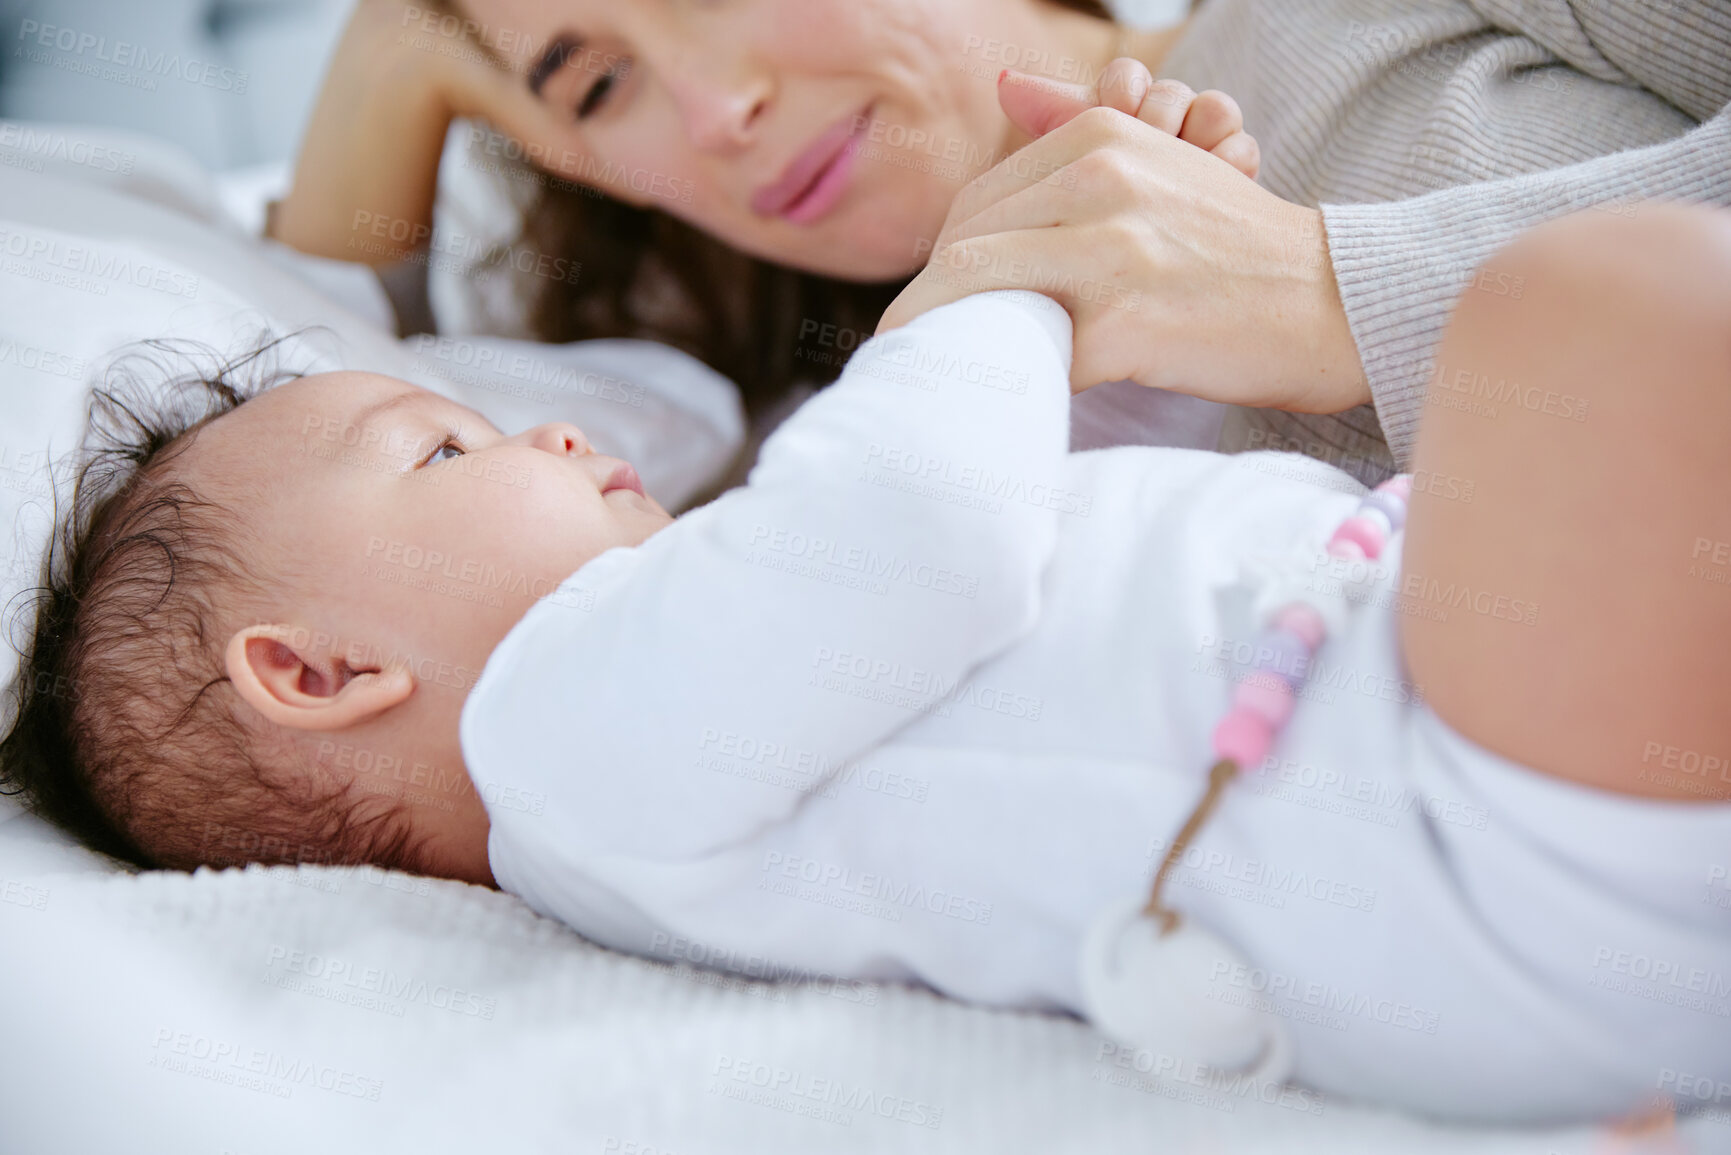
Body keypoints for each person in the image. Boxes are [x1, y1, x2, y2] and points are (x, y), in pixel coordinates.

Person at [4, 200, 1729, 1123]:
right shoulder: (565, 741)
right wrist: (982, 274)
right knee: (1603, 307)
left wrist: (1105, 255)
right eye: (444, 455)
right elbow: (934, 511)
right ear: (317, 674)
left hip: (1491, 760)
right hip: (1479, 838)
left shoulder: (697, 656)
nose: (544, 437)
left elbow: (1034, 479)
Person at [274, 0, 1730, 476]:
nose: (714, 107)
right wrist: (393, 52)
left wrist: (1341, 304)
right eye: (597, 82)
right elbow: (290, 425)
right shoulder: (826, 426)